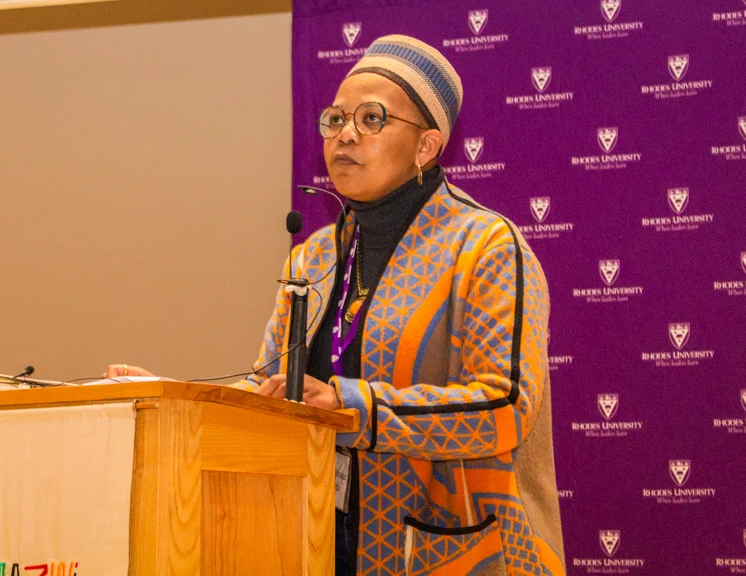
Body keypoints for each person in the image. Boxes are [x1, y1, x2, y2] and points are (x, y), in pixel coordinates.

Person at [106, 34, 564, 576]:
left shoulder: (485, 248)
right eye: (336, 118)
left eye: (372, 119)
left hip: (450, 548)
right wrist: (171, 397)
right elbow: (272, 391)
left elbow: (505, 407)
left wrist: (356, 411)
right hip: (320, 535)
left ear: (427, 147)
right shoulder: (315, 257)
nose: (346, 134)